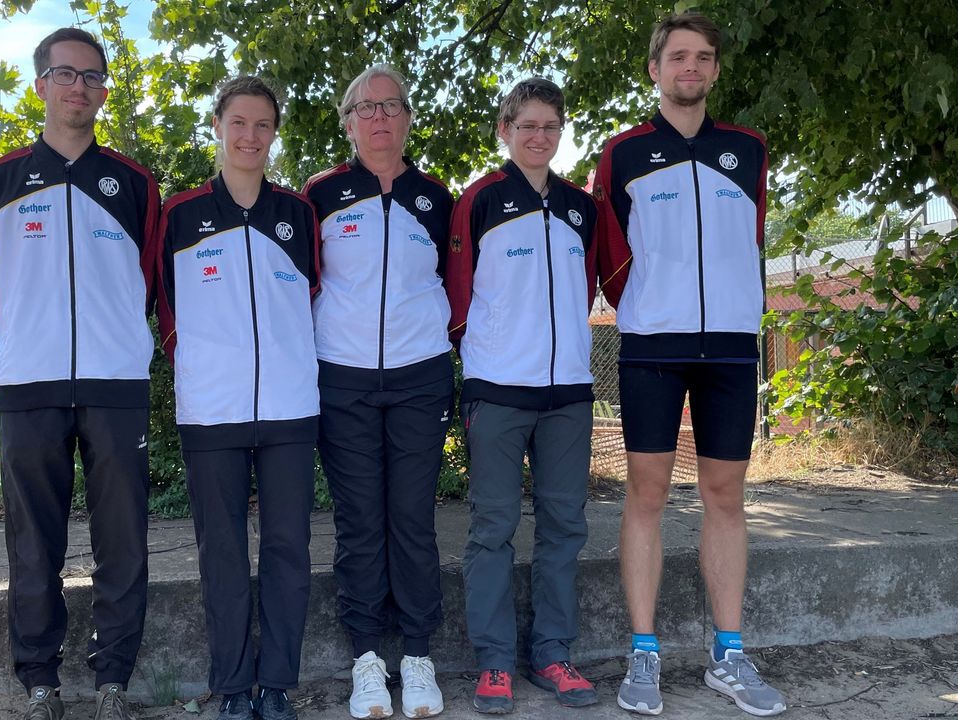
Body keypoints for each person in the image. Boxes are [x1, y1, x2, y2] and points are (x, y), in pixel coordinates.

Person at [592, 12, 785, 717]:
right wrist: (650, 302)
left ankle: (728, 653)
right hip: (653, 347)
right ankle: (643, 655)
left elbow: (750, 239)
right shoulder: (620, 156)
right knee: (644, 497)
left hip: (732, 346)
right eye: (678, 57)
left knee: (726, 497)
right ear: (655, 68)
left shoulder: (751, 150)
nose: (691, 69)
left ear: (715, 69)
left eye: (703, 57)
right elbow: (608, 254)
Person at [0, 27, 158, 720]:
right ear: (41, 83)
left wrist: (116, 341)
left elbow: (143, 279)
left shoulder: (135, 183)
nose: (80, 86)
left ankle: (113, 679)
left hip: (115, 382)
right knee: (32, 538)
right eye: (66, 73)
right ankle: (40, 681)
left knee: (123, 538)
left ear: (104, 90)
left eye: (92, 76)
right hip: (28, 381)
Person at [155, 76, 320, 720]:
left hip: (288, 409)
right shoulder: (179, 215)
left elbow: (307, 301)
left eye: (263, 125)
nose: (250, 136)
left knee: (287, 549)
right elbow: (164, 309)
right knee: (221, 552)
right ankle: (232, 686)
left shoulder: (299, 215)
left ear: (273, 134)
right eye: (239, 123)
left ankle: (276, 684)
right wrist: (201, 364)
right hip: (211, 409)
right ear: (218, 127)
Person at [302, 64, 454, 720]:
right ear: (348, 121)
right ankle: (367, 656)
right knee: (361, 520)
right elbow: (301, 282)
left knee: (413, 518)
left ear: (409, 118)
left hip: (421, 375)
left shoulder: (437, 197)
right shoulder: (320, 195)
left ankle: (417, 656)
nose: (380, 117)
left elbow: (458, 281)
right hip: (342, 376)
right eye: (367, 107)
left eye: (392, 105)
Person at [446, 77, 600, 715]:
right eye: (527, 125)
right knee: (493, 528)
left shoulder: (581, 208)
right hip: (499, 391)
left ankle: (552, 652)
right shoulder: (479, 200)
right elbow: (456, 293)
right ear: (505, 131)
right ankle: (493, 662)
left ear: (561, 134)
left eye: (550, 126)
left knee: (565, 526)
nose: (539, 137)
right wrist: (483, 360)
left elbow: (586, 287)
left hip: (567, 393)